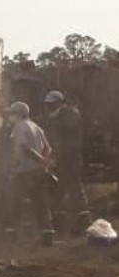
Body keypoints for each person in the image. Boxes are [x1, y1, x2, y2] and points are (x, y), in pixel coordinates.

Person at [42, 90, 90, 232]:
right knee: (58, 189)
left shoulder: (70, 114)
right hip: (61, 159)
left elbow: (65, 140)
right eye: (48, 104)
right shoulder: (55, 117)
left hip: (70, 159)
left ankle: (83, 220)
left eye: (51, 104)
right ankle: (60, 221)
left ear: (59, 102)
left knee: (74, 188)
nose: (49, 107)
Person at [7, 101, 53, 241]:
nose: (10, 116)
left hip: (24, 172)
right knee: (41, 203)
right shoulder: (36, 127)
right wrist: (43, 161)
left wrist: (39, 160)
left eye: (12, 113)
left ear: (19, 114)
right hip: (39, 171)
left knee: (16, 202)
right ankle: (47, 234)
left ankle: (12, 235)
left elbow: (24, 148)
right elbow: (48, 148)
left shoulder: (19, 127)